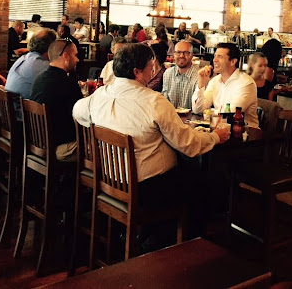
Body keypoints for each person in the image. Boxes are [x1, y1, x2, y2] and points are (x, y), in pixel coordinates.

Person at [72, 43, 230, 240]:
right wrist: (215, 136)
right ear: (137, 72)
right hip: (145, 188)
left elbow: (77, 111)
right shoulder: (154, 101)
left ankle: (150, 234)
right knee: (200, 185)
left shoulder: (99, 95)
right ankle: (179, 246)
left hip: (108, 177)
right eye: (150, 67)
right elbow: (188, 143)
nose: (153, 71)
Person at [30, 39, 83, 161]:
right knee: (103, 151)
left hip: (37, 143)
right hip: (59, 148)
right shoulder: (66, 83)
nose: (77, 60)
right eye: (75, 55)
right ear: (66, 56)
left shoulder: (39, 78)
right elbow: (82, 115)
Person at [192, 42, 259, 128]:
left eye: (220, 57)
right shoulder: (215, 81)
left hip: (245, 132)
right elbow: (197, 110)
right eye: (215, 56)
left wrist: (209, 111)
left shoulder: (246, 83)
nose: (214, 60)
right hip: (219, 128)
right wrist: (201, 83)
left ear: (233, 62)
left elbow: (230, 114)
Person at [5, 28, 57, 117]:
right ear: (51, 47)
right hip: (24, 118)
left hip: (9, 114)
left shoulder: (22, 59)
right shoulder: (43, 65)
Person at [162, 40, 200, 110]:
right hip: (171, 115)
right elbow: (165, 101)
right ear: (174, 55)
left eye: (186, 53)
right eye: (178, 52)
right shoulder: (168, 73)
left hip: (191, 116)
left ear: (192, 55)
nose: (182, 55)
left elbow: (199, 106)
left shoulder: (198, 76)